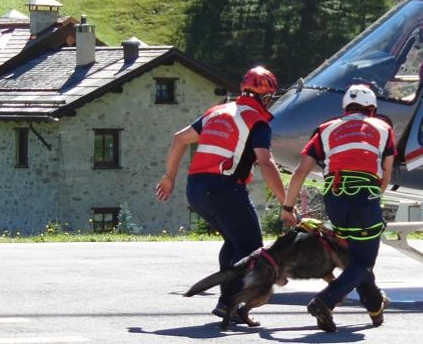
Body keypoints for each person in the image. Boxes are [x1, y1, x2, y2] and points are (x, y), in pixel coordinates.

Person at [154, 66, 296, 322]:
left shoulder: (216, 112)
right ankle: (228, 302)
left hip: (196, 190)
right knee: (252, 249)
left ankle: (226, 303)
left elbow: (179, 139)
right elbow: (265, 162)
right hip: (224, 189)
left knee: (234, 243)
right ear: (267, 97)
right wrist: (286, 204)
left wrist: (169, 177)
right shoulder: (258, 121)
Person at [282, 84, 395, 332]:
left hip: (335, 198)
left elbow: (300, 171)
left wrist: (287, 207)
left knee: (355, 258)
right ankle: (325, 301)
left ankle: (375, 307)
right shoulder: (383, 128)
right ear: (372, 109)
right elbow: (386, 173)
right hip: (364, 196)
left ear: (345, 109)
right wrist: (374, 198)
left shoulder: (326, 129)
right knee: (364, 261)